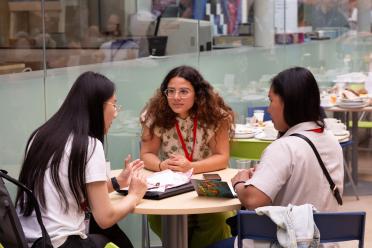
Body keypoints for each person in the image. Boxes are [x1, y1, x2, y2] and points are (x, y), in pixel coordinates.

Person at [208, 67, 344, 247]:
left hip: (285, 242)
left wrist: (239, 182)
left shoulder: (284, 147)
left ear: (288, 102)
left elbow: (252, 200)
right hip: (323, 242)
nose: (269, 109)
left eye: (271, 100)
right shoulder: (331, 140)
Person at [16, 71, 148, 248]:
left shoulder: (40, 135)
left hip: (26, 240)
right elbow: (105, 217)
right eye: (114, 105)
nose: (116, 114)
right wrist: (134, 195)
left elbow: (69, 189)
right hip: (59, 242)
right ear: (98, 105)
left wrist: (118, 181)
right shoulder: (89, 145)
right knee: (114, 238)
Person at [140, 65, 235, 248]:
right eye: (171, 91)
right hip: (172, 182)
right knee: (157, 219)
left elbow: (221, 157)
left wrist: (191, 166)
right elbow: (147, 154)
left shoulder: (216, 117)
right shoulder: (155, 115)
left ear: (197, 94)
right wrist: (161, 166)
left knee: (216, 220)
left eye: (184, 92)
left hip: (206, 181)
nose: (176, 97)